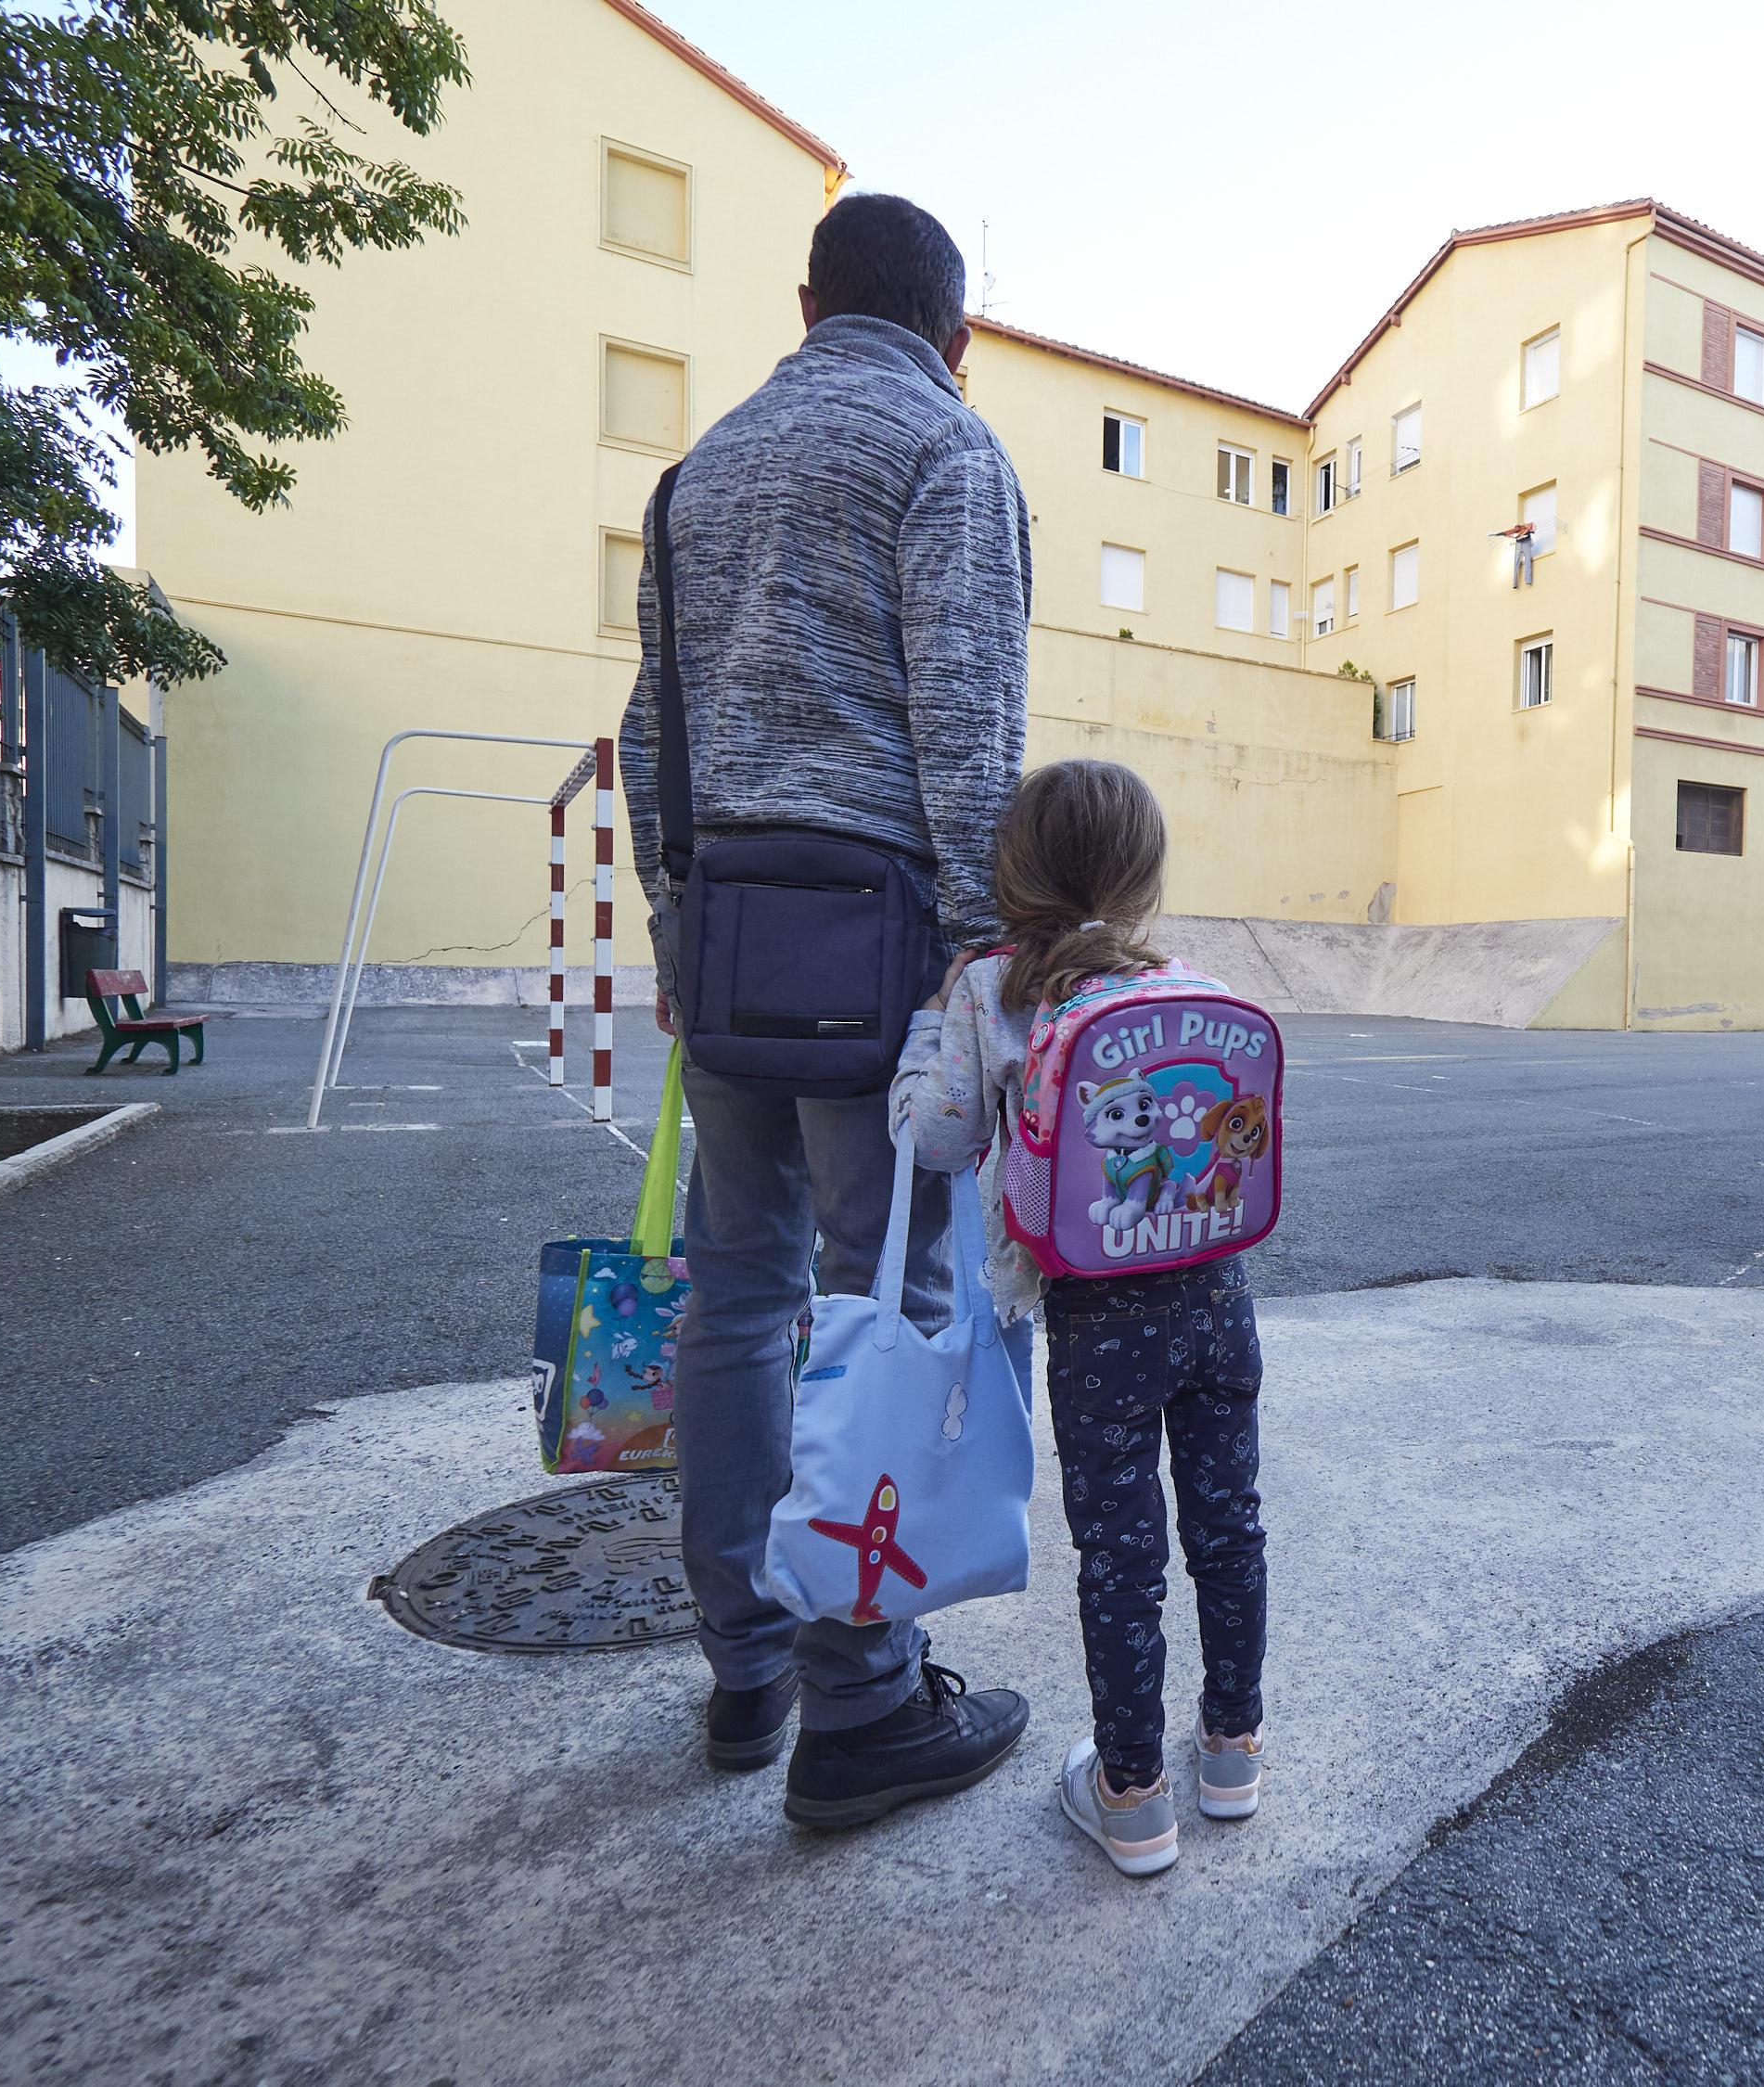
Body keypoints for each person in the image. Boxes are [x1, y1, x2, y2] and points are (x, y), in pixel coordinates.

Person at [618, 193, 1032, 1829]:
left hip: (728, 932)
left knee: (736, 1296)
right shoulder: (947, 450)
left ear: (804, 304)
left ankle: (748, 1665)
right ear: (959, 335)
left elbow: (654, 724)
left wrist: (671, 923)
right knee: (894, 1297)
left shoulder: (697, 471)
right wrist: (992, 954)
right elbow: (967, 719)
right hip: (882, 950)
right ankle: (865, 1705)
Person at [890, 761, 1268, 1879]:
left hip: (1100, 1321)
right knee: (1230, 1527)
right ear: (1143, 879)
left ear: (1014, 870)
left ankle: (1133, 1794)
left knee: (1119, 1556)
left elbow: (938, 1139)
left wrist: (925, 1029)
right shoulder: (1182, 978)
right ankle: (1235, 1752)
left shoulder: (994, 987)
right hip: (1216, 1296)